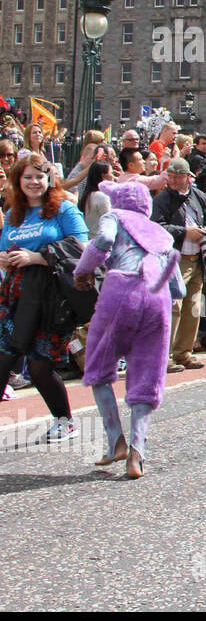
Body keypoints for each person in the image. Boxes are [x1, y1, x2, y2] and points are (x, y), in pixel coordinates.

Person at [74, 181, 184, 478]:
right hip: (158, 298)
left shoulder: (114, 217)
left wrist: (82, 271)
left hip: (121, 291)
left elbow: (103, 242)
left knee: (98, 367)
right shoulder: (160, 233)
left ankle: (115, 442)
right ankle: (137, 454)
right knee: (148, 376)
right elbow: (179, 288)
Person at [0, 155, 89, 442]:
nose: (34, 182)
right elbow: (5, 247)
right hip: (15, 295)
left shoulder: (64, 209)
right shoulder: (14, 213)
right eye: (28, 177)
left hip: (51, 299)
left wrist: (37, 257)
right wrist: (4, 259)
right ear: (18, 181)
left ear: (49, 179)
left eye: (40, 176)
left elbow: (83, 249)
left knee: (40, 366)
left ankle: (64, 421)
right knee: (3, 358)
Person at [152, 158, 206, 372]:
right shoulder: (162, 200)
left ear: (188, 177)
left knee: (194, 307)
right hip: (175, 258)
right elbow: (157, 226)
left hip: (198, 257)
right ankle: (163, 356)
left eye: (178, 176)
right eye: (171, 176)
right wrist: (185, 232)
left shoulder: (199, 197)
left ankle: (184, 352)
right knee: (172, 307)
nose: (174, 181)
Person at [78, 160, 115, 236]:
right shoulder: (102, 197)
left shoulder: (88, 195)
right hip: (99, 241)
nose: (113, 176)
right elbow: (109, 222)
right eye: (111, 173)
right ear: (103, 176)